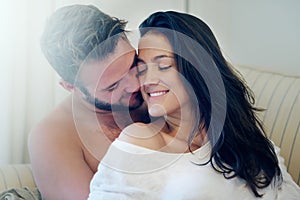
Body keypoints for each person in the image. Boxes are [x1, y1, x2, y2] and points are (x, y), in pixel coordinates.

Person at [89, 11, 300, 199]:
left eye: (163, 65)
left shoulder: (244, 137)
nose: (147, 80)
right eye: (142, 69)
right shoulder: (141, 140)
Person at [28, 5, 149, 200]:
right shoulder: (53, 136)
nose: (135, 85)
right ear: (70, 87)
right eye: (112, 86)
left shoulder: (160, 87)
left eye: (133, 64)